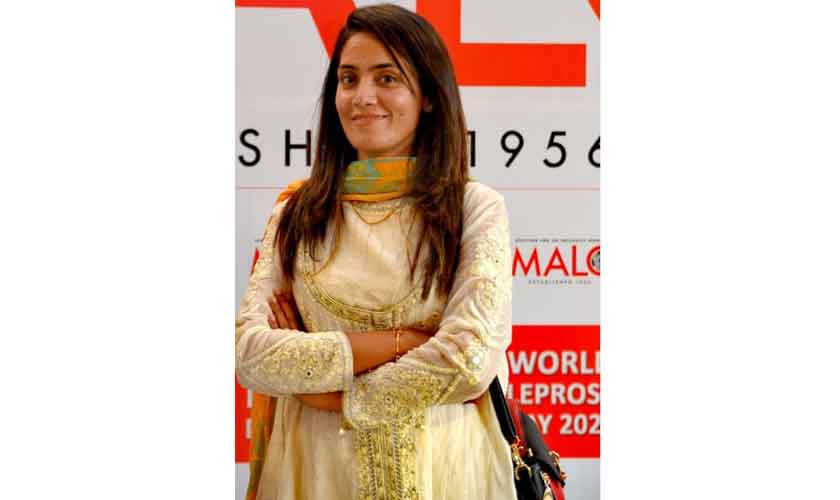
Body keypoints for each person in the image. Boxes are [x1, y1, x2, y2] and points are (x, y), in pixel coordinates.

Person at [235, 5, 515, 499]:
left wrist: (330, 395)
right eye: (349, 79)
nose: (363, 97)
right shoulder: (296, 214)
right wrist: (403, 341)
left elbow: (469, 357)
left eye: (387, 78)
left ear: (428, 96)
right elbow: (252, 355)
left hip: (447, 471)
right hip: (318, 473)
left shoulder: (472, 208)